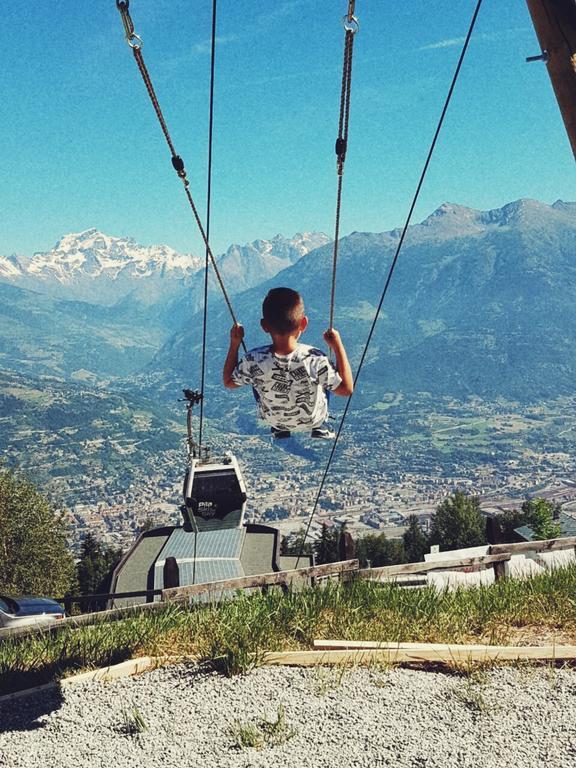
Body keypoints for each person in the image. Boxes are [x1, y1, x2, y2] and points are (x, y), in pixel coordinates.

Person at [223, 287, 353, 439]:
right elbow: (346, 390)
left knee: (255, 376)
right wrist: (337, 346)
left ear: (264, 326)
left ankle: (280, 429)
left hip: (274, 420)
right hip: (313, 419)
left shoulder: (253, 358)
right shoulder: (315, 358)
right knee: (325, 376)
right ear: (303, 324)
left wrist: (235, 343)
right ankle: (320, 426)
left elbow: (228, 382)